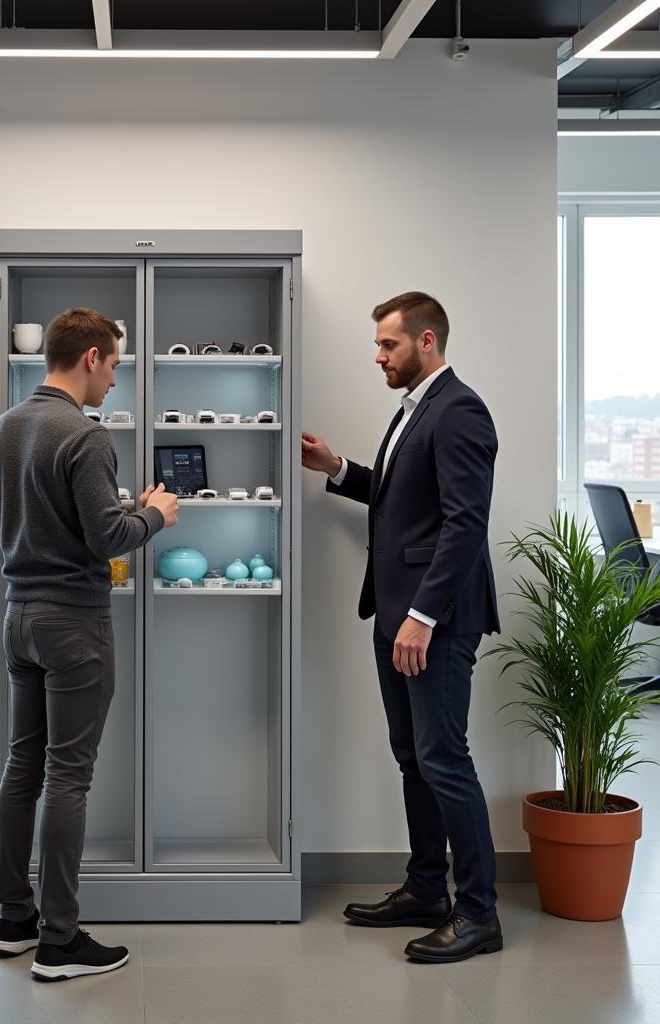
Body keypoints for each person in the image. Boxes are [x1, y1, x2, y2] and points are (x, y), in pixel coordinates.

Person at [0, 306, 178, 981]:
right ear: (89, 358)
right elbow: (107, 539)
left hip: (18, 619)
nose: (115, 379)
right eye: (114, 364)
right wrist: (155, 514)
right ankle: (60, 941)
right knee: (68, 775)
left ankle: (12, 919)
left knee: (21, 766)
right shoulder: (86, 437)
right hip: (75, 625)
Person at [302, 291, 502, 964]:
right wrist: (338, 470)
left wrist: (421, 618)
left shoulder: (460, 410)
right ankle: (425, 887)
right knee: (414, 756)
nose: (379, 357)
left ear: (426, 341)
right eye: (378, 346)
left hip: (432, 623)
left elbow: (464, 525)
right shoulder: (414, 411)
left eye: (388, 345)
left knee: (445, 759)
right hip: (397, 617)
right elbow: (401, 502)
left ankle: (478, 915)